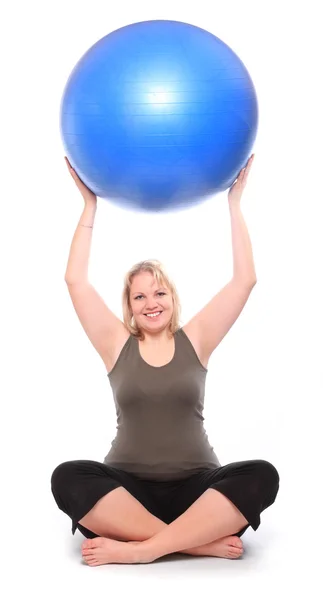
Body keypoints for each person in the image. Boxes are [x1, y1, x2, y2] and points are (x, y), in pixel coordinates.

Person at [51, 155, 280, 566]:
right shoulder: (115, 344)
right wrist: (90, 208)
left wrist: (235, 205)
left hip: (198, 489)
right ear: (130, 307)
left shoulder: (197, 338)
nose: (151, 303)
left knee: (262, 475)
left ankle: (143, 550)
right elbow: (76, 281)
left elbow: (245, 280)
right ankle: (196, 543)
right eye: (139, 296)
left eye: (159, 293)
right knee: (67, 477)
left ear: (172, 299)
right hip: (127, 490)